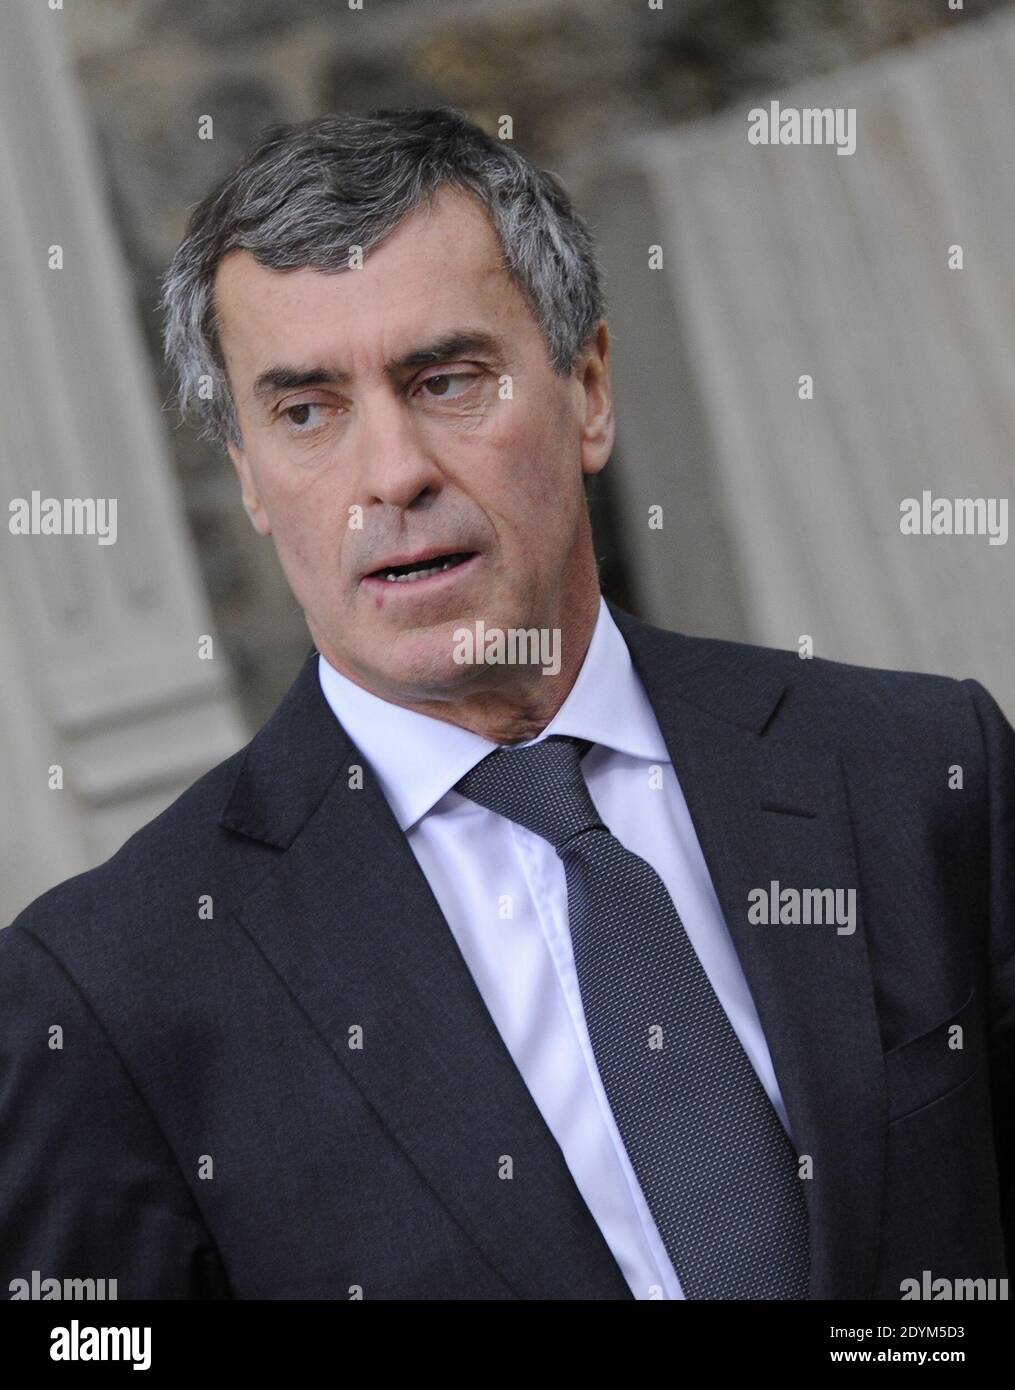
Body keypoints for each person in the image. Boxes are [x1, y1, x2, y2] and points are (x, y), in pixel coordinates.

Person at [2, 108, 1012, 1301]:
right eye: (307, 412)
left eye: (445, 380)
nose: (390, 476)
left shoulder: (917, 770)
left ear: (587, 391)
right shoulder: (111, 988)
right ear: (250, 480)